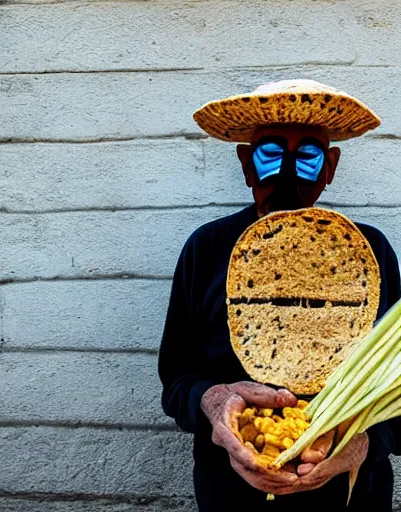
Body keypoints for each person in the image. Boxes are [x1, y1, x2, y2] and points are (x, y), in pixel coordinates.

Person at [158, 80, 401, 511]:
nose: (286, 175)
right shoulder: (207, 248)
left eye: (306, 158)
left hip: (351, 498)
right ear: (246, 165)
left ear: (329, 168)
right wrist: (214, 404)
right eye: (270, 155)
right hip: (232, 494)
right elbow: (177, 380)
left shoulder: (374, 254)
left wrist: (362, 441)